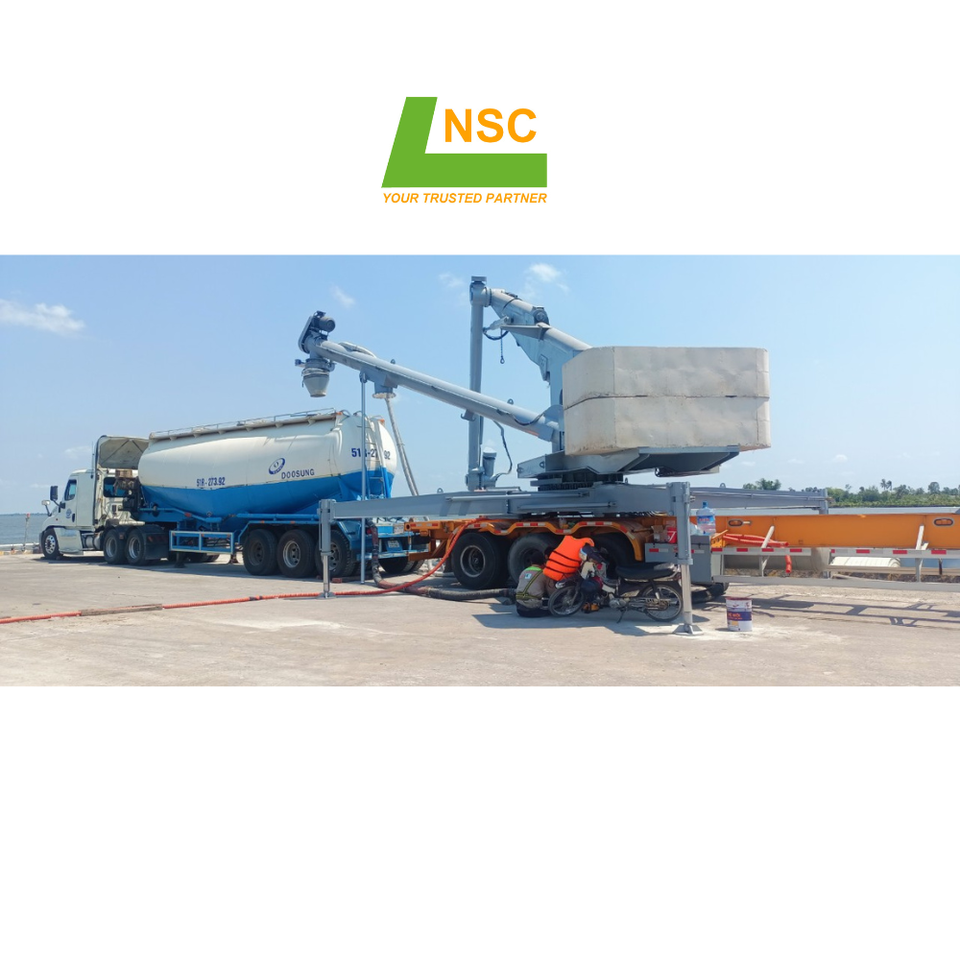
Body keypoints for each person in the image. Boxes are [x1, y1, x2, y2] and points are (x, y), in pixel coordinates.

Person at [542, 535, 605, 613]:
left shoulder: (569, 543)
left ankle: (592, 603)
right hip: (563, 573)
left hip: (555, 572)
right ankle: (592, 603)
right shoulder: (585, 549)